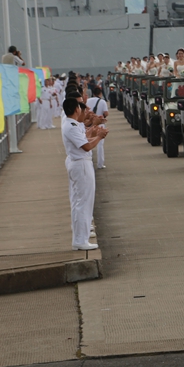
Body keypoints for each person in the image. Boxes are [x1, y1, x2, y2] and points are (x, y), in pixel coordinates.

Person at [61, 98, 108, 250]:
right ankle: (81, 240)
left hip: (79, 162)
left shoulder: (72, 124)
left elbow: (84, 140)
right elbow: (86, 146)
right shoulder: (71, 125)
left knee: (80, 202)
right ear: (76, 109)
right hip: (80, 163)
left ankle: (81, 238)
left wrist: (95, 133)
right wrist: (99, 137)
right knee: (83, 202)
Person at [87, 87, 109, 169]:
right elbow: (106, 112)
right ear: (100, 93)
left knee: (88, 141)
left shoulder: (88, 101)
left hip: (90, 124)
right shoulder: (102, 101)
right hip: (100, 125)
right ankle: (100, 164)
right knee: (100, 145)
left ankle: (89, 161)